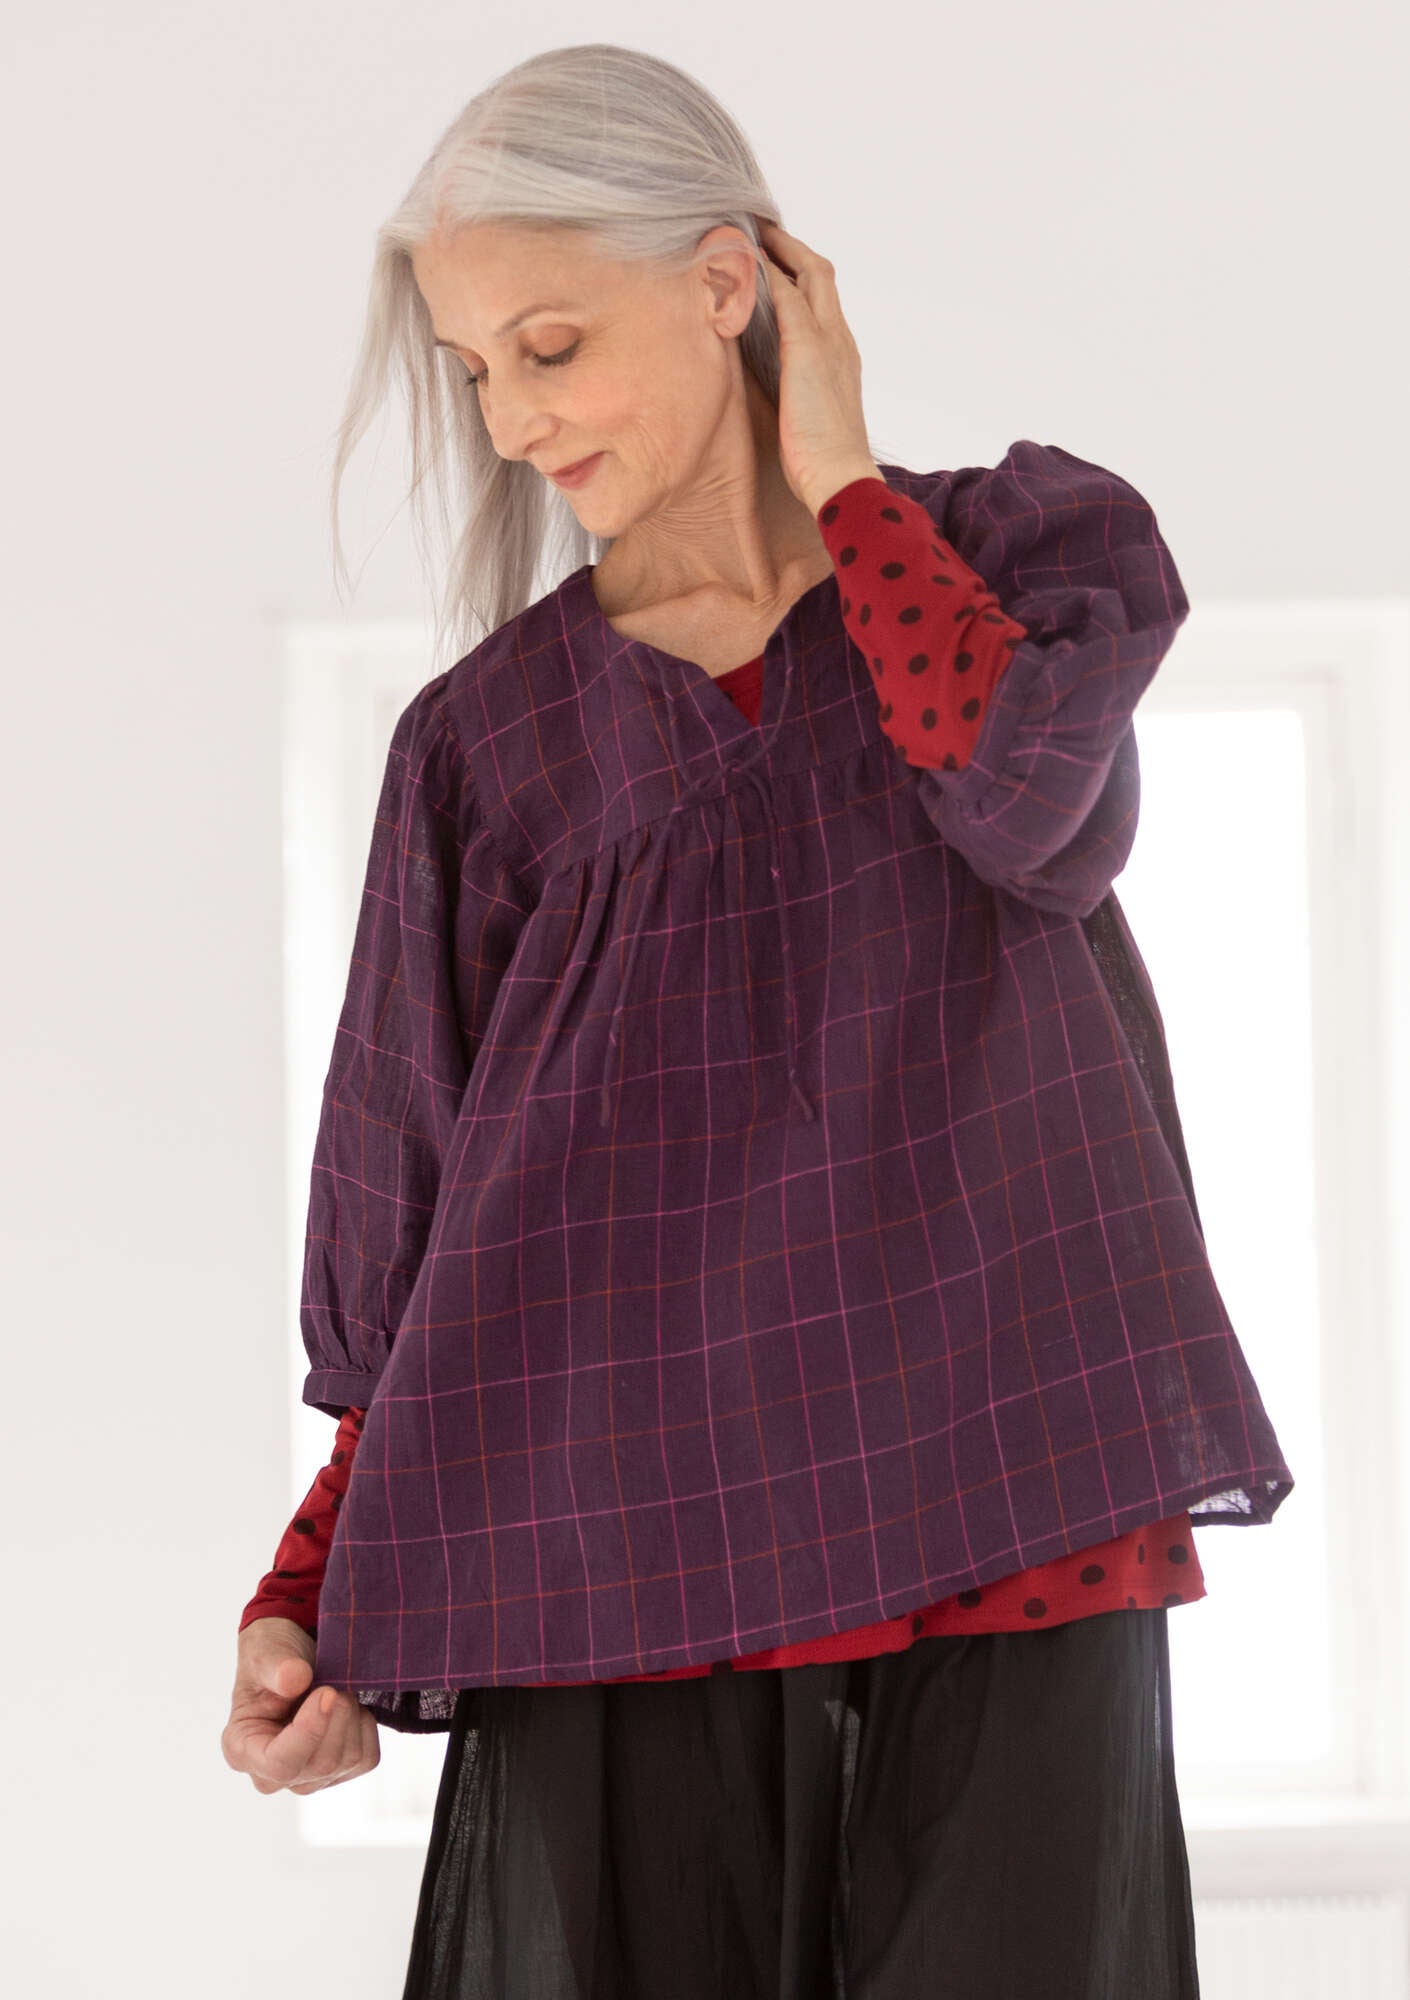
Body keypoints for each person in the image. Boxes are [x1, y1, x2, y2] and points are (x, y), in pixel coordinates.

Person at [223, 42, 1293, 1999]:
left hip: (1014, 1499)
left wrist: (845, 482)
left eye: (551, 345)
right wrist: (308, 1591)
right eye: (475, 372)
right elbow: (419, 1227)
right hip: (630, 1551)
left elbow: (1023, 812)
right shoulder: (486, 748)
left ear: (727, 281)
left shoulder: (1019, 567)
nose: (512, 420)